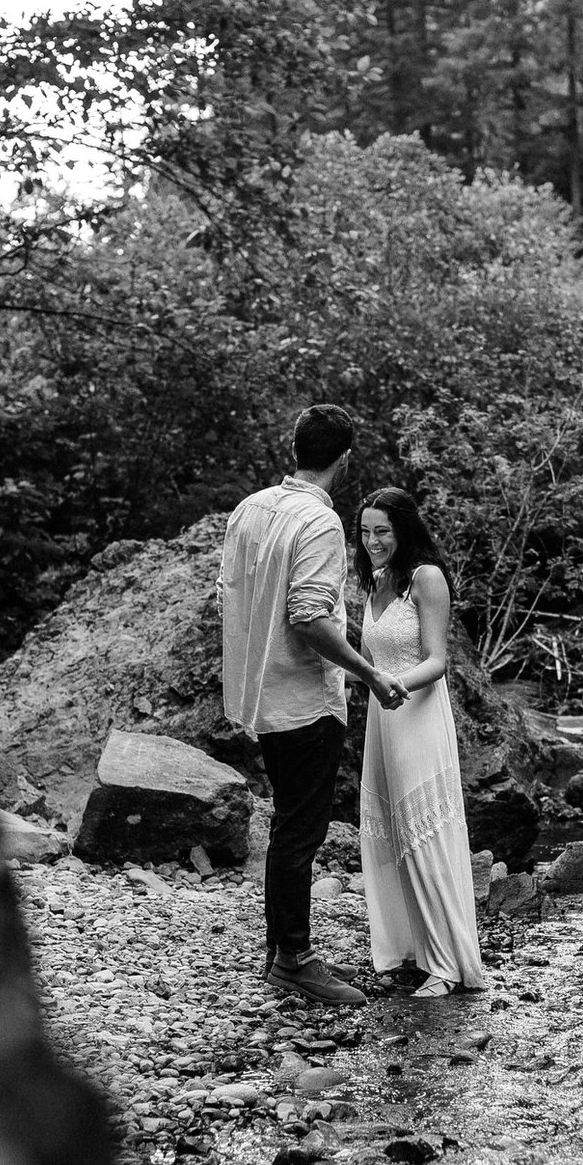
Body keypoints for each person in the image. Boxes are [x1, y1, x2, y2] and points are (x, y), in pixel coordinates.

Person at [220, 405, 407, 1006]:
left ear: (292, 446)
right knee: (301, 828)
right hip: (302, 697)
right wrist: (370, 672)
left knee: (287, 824)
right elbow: (308, 618)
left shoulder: (250, 507)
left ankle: (280, 948)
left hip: (261, 694)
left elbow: (227, 592)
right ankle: (295, 959)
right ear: (345, 459)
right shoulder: (321, 524)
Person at [353, 488, 489, 997]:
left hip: (416, 713)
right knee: (390, 832)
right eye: (365, 531)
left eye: (382, 531)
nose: (372, 541)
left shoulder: (425, 578)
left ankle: (448, 966)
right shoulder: (378, 580)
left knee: (423, 833)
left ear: (404, 530)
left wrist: (394, 685)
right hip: (381, 718)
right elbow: (371, 654)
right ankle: (409, 949)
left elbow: (437, 661)